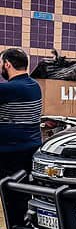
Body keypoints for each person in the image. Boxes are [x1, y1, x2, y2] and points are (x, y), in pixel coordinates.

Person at [0, 48, 42, 178]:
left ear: (7, 64)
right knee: (23, 191)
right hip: (31, 148)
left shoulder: (8, 89)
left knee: (11, 194)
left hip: (10, 152)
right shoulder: (35, 85)